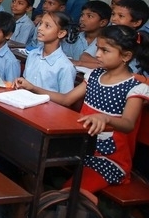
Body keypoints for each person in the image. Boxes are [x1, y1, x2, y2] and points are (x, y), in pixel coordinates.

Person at [15, 25, 149, 193]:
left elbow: (128, 123)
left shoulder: (135, 87)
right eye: (98, 48)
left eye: (105, 50)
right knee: (28, 157)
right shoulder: (94, 75)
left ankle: (53, 207)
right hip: (81, 147)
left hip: (109, 159)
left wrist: (106, 118)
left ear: (126, 56)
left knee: (71, 191)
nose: (97, 54)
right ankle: (40, 204)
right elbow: (66, 99)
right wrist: (31, 86)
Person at [22, 11, 77, 93]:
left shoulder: (65, 67)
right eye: (41, 23)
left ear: (61, 33)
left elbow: (64, 99)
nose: (40, 28)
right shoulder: (33, 54)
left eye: (47, 26)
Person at [64, 0, 111, 67]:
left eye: (89, 16)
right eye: (82, 15)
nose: (82, 19)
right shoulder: (73, 38)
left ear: (102, 22)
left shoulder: (108, 41)